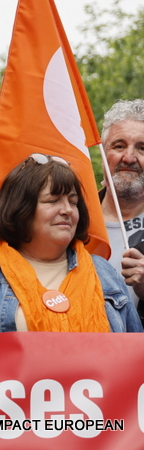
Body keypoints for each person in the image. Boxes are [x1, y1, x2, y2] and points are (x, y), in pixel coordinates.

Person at [0, 154, 143, 341]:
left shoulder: (105, 275)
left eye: (72, 201)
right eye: (53, 201)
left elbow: (135, 363)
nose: (67, 210)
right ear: (20, 208)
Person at [99, 100, 144, 318]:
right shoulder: (69, 222)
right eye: (119, 146)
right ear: (102, 157)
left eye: (142, 148)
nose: (129, 157)